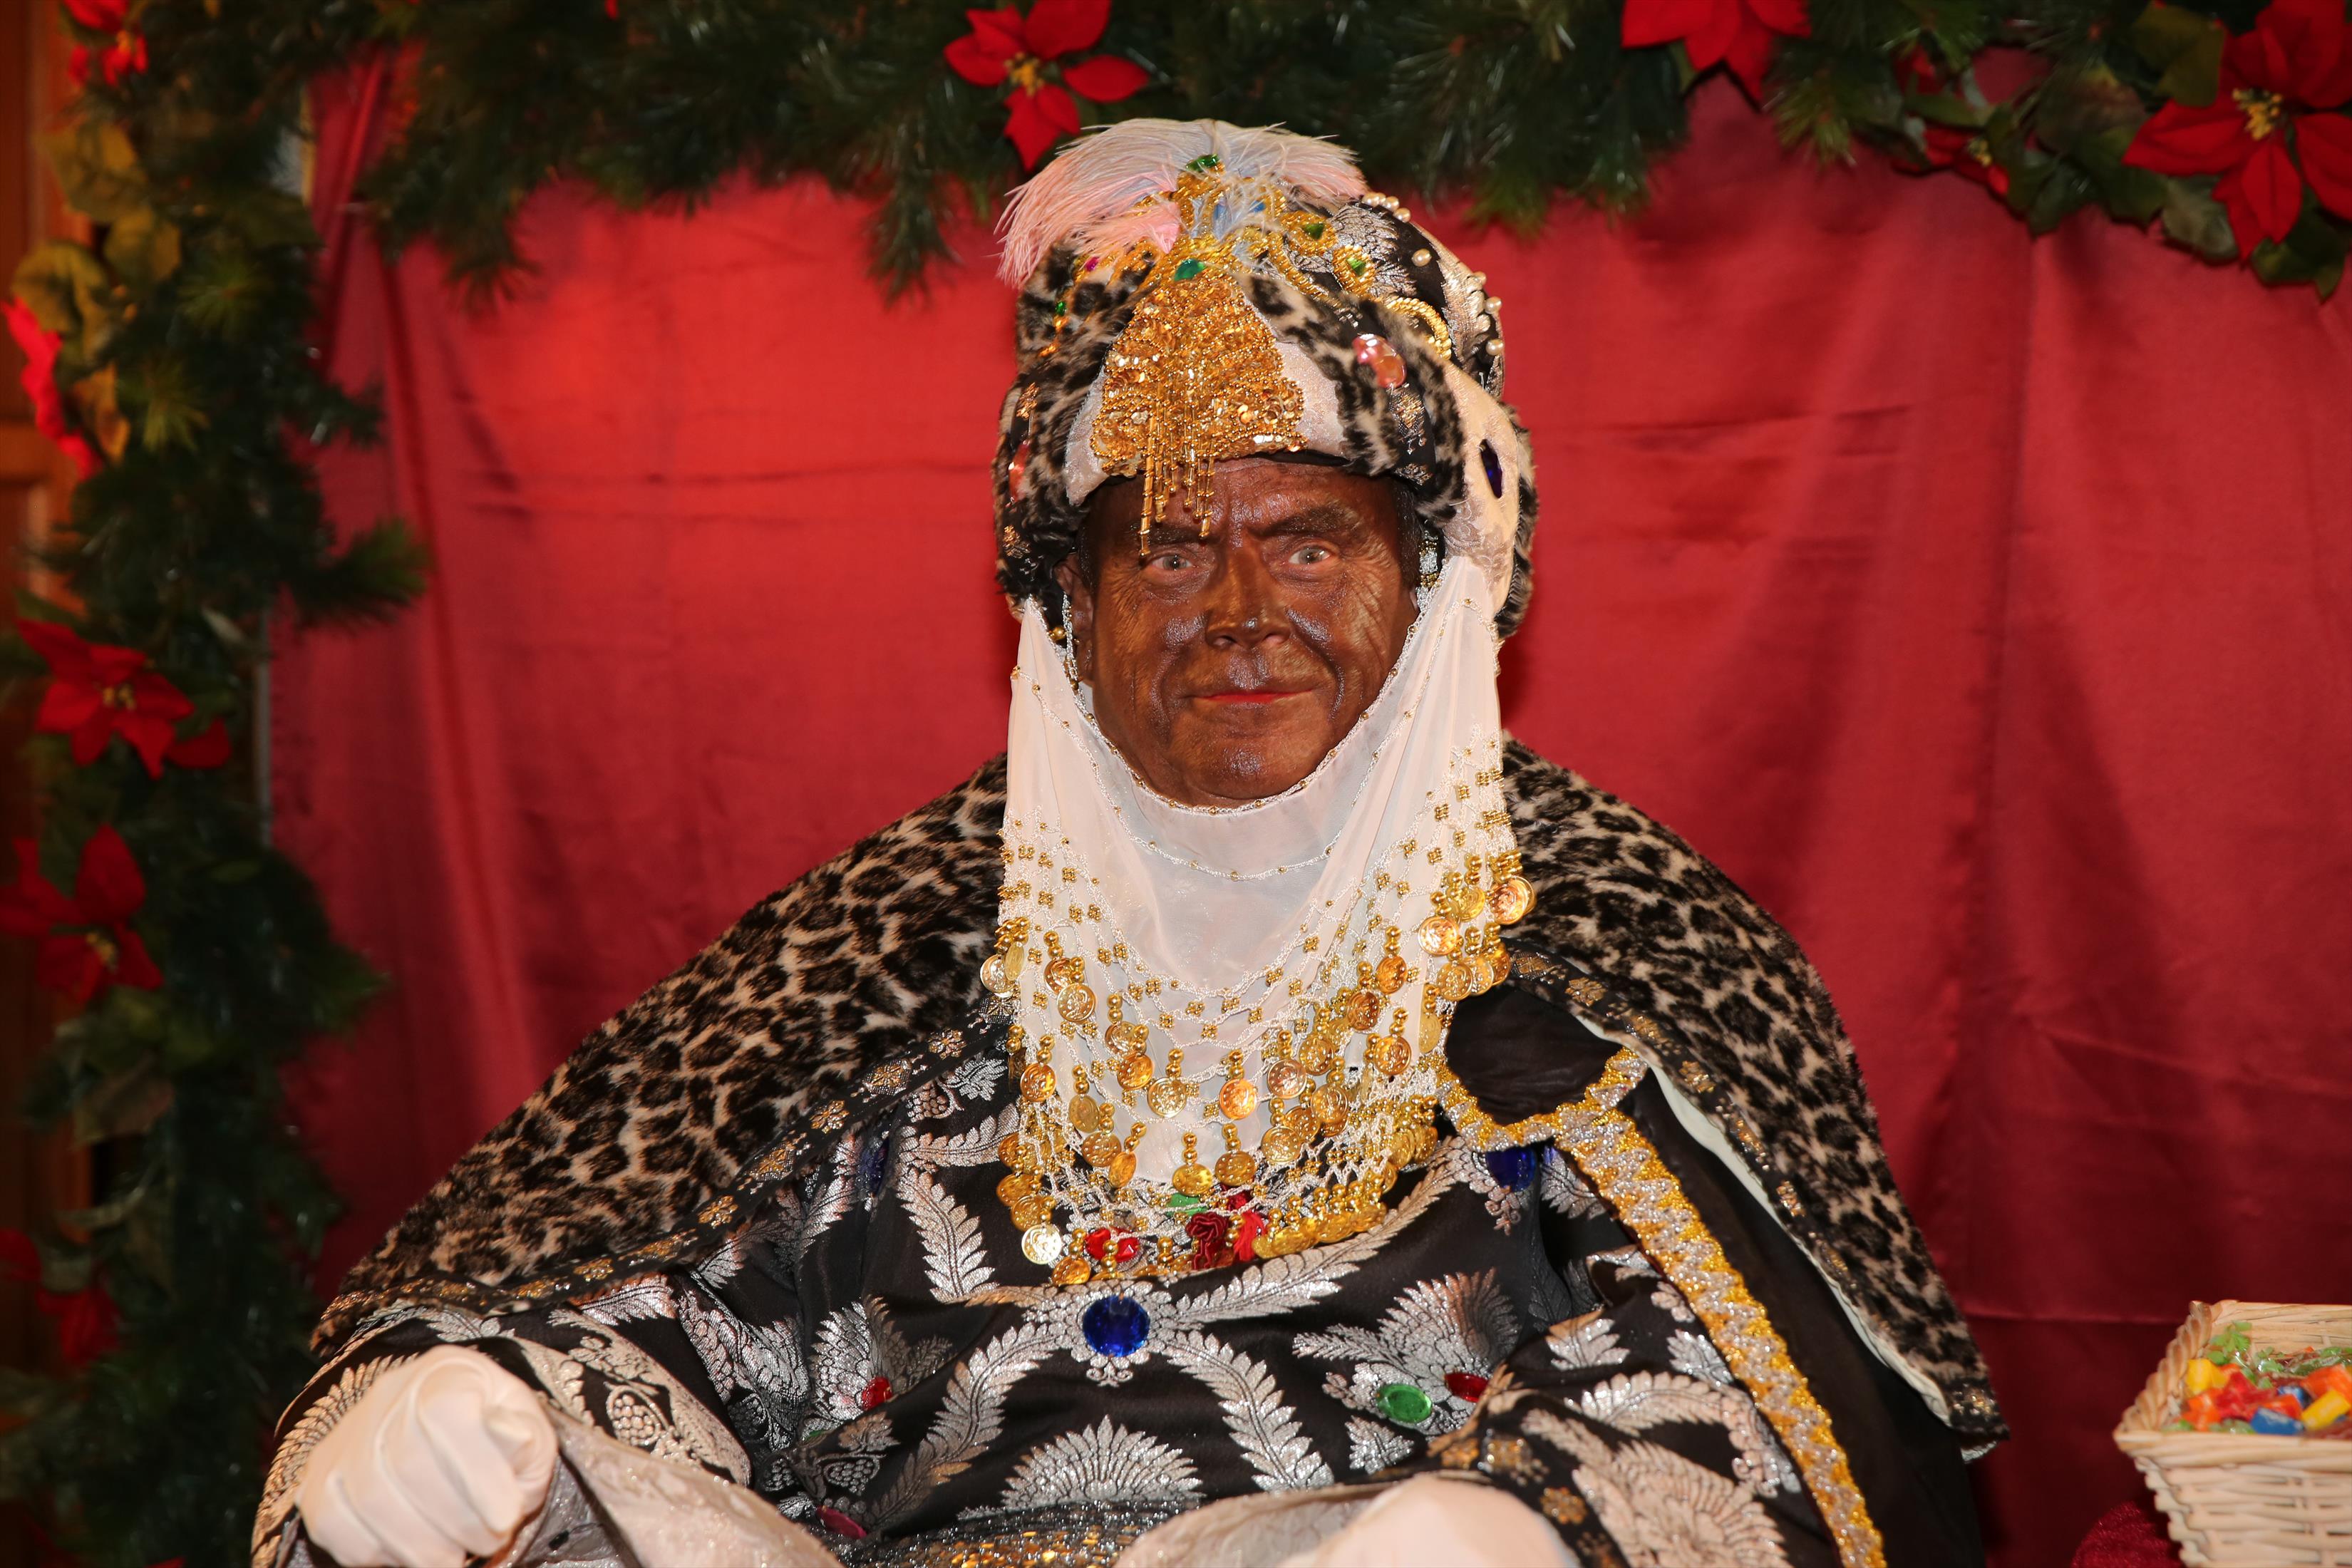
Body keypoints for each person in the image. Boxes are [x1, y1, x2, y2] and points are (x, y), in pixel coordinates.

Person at [254, 121, 2003, 1568]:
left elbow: (1760, 1404)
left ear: (1431, 583)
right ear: (1071, 610)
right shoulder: (886, 948)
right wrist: (489, 1398)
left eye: (1307, 541)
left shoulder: (1614, 946)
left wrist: (1522, 1525)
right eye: (1164, 551)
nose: (1237, 611)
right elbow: (609, 1289)